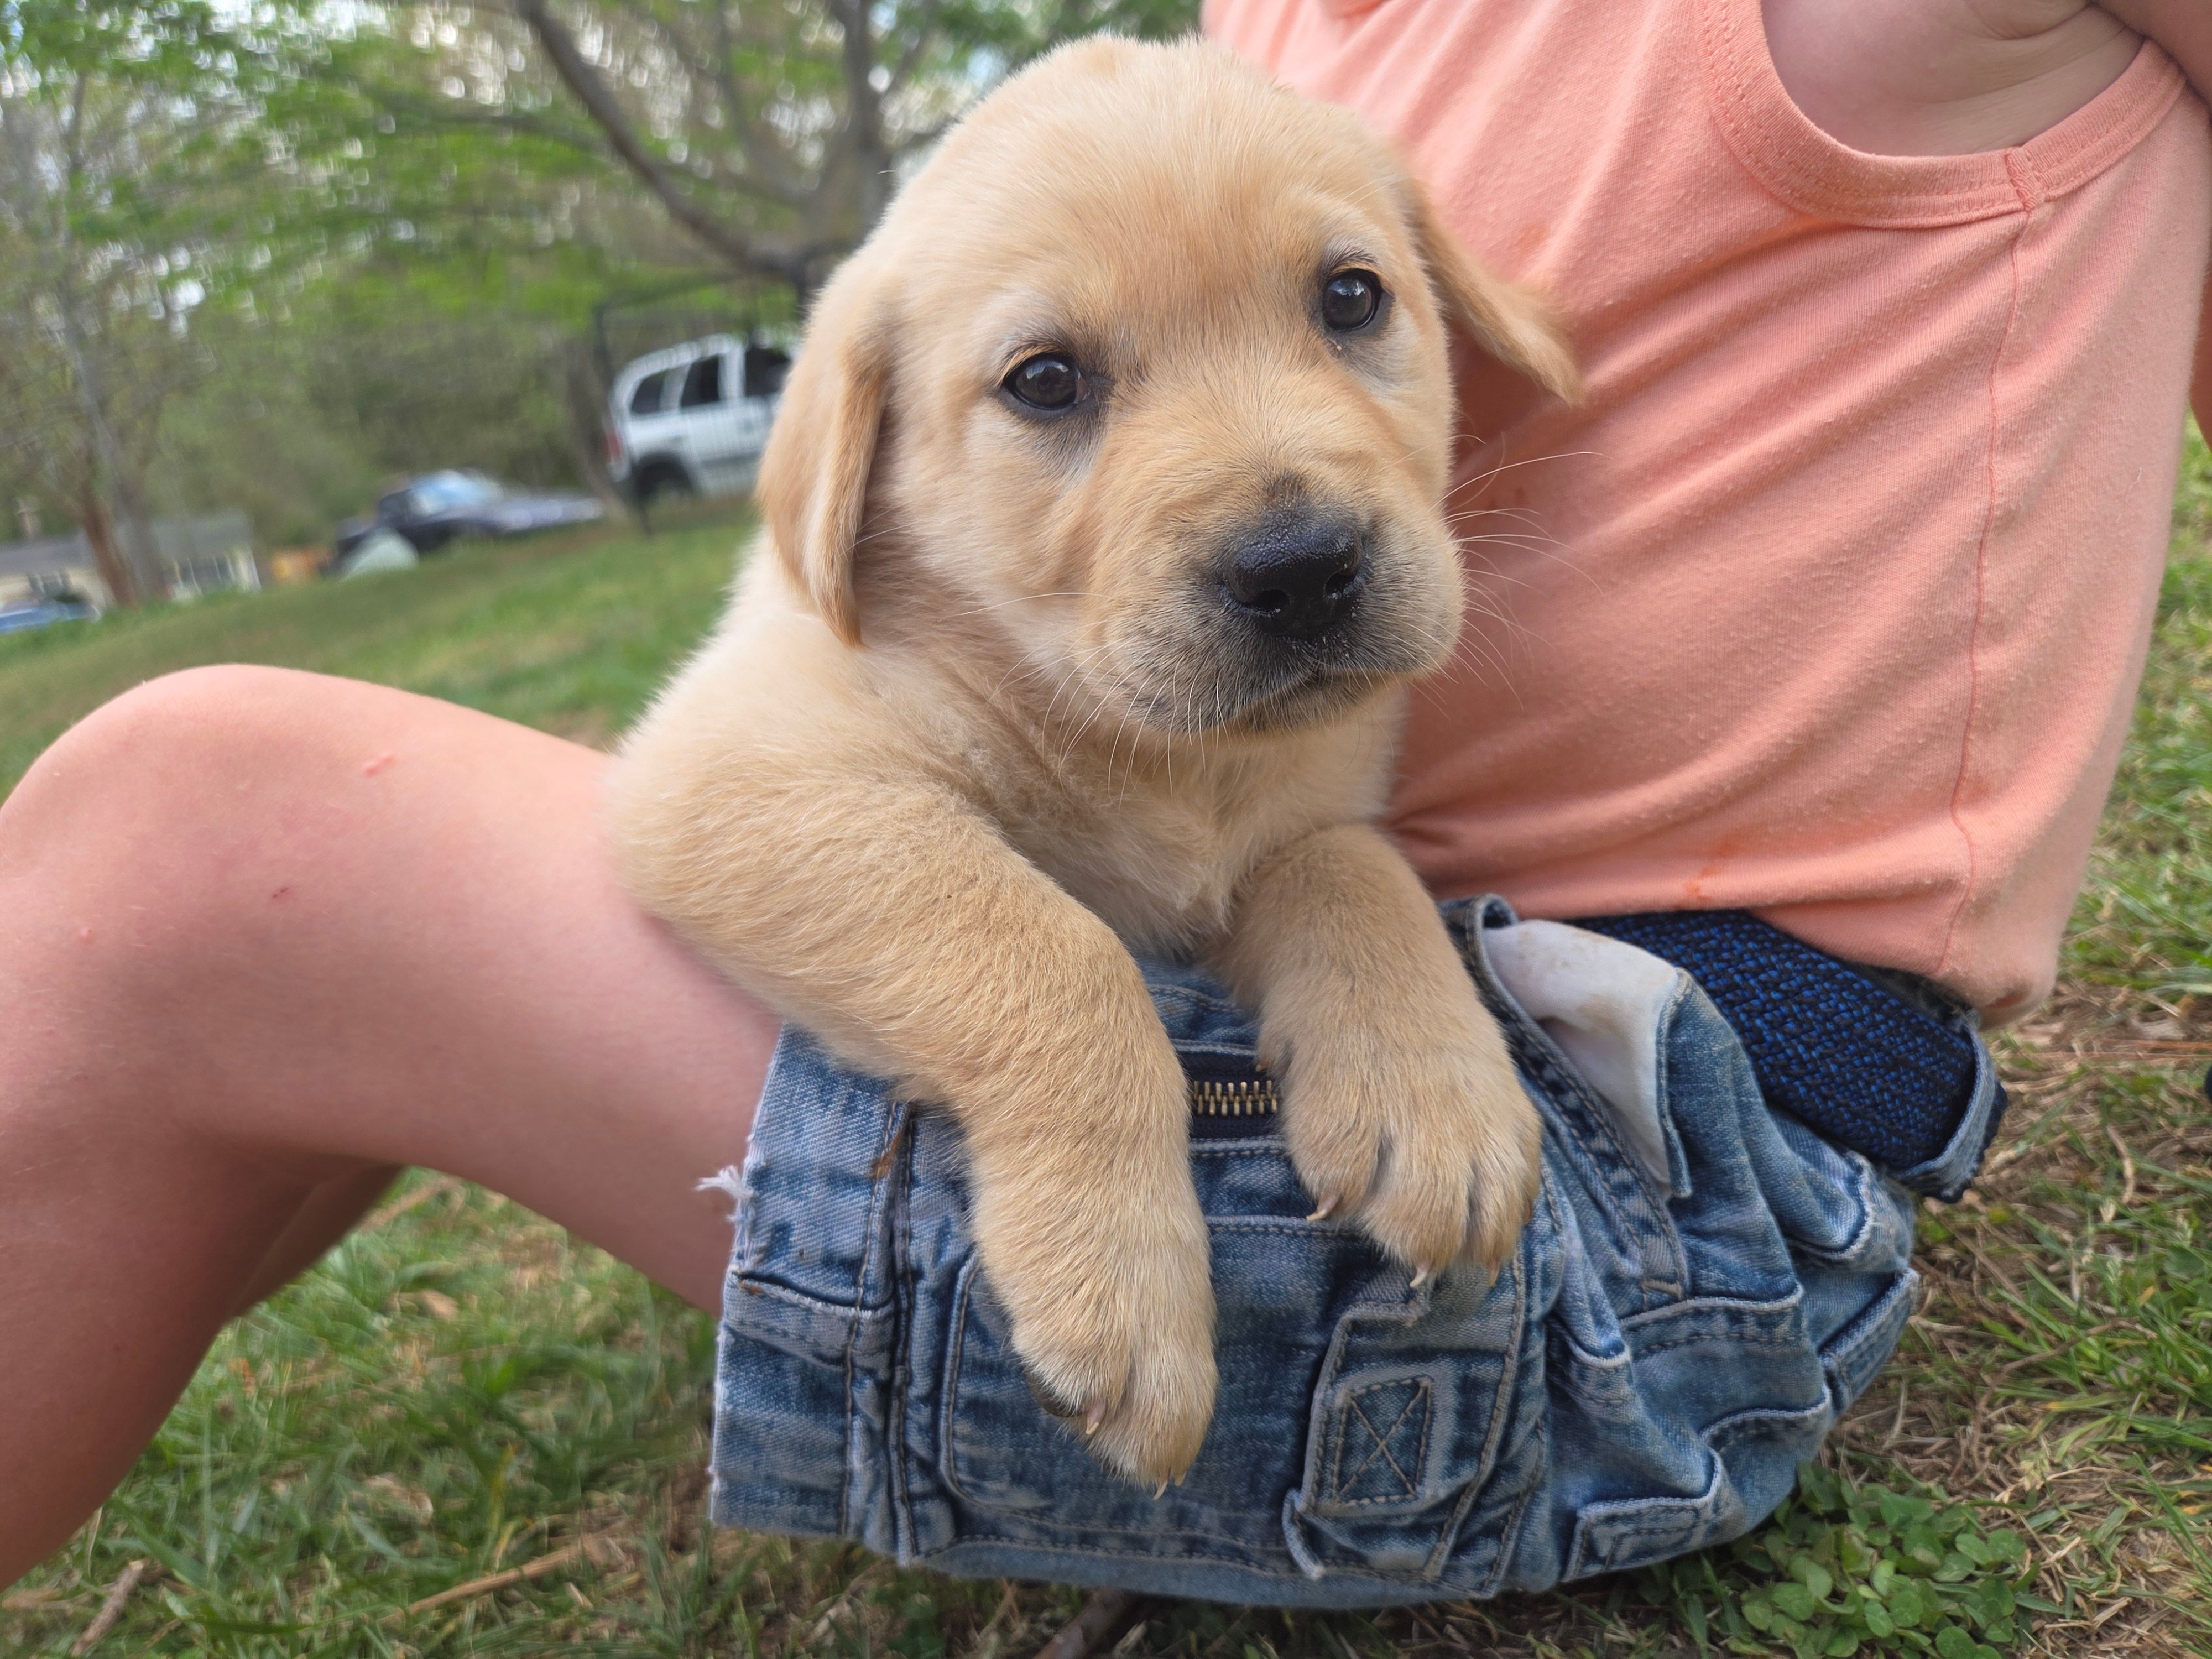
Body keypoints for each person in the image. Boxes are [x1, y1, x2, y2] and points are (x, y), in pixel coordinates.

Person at [1, 0, 2205, 1599]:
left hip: (1651, 1208)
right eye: (1054, 384)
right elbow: (720, 806)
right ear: (851, 476)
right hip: (1491, 1093)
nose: (1279, 504)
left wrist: (1132, 1054)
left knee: (197, 838)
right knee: (277, 913)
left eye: (1351, 307)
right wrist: (1081, 1049)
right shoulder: (1271, 46)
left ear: (1448, 304)